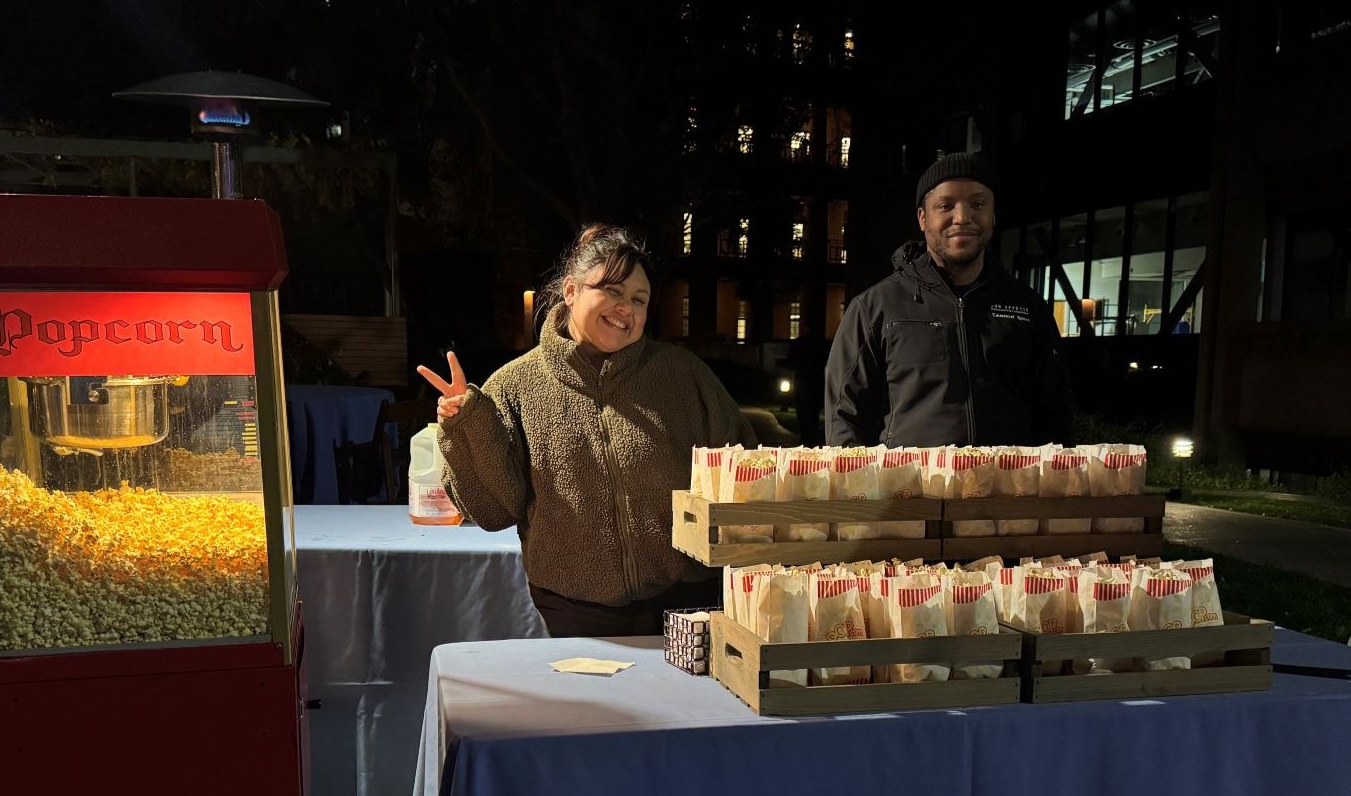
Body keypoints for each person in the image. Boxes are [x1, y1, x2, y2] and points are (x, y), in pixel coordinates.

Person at [419, 224, 753, 638]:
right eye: (612, 291)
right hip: (573, 605)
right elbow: (493, 512)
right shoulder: (515, 385)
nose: (625, 308)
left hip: (688, 595)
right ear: (571, 291)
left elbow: (745, 468)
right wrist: (465, 424)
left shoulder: (683, 376)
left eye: (639, 299)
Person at [825, 152, 1074, 447]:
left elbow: (1055, 416)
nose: (962, 217)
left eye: (978, 204)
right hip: (909, 491)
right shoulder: (874, 307)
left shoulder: (1028, 307)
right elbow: (844, 419)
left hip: (1004, 491)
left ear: (993, 215)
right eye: (946, 205)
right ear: (922, 218)